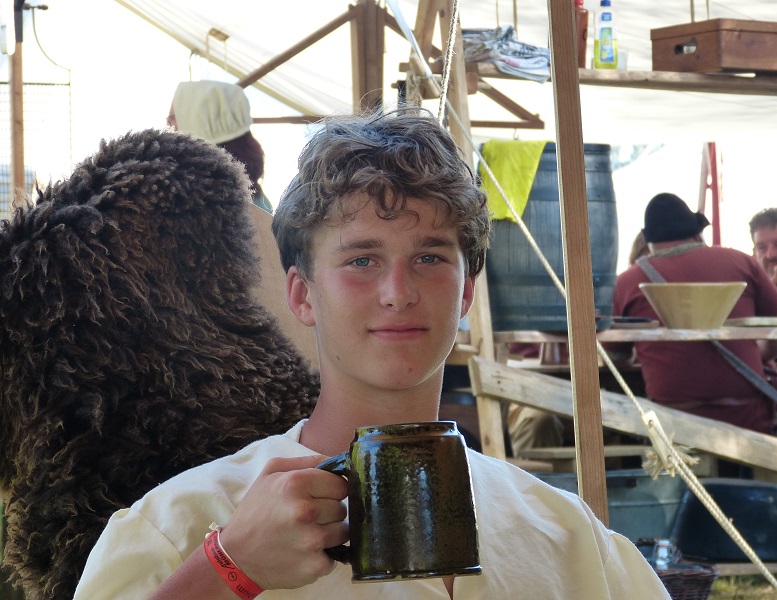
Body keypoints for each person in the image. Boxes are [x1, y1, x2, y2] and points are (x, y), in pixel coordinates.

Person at [74, 110, 669, 599]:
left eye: (430, 257)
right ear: (303, 294)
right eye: (361, 260)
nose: (397, 292)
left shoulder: (569, 538)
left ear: (465, 292)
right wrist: (229, 569)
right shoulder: (181, 524)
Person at [605, 193, 777, 435]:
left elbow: (615, 357)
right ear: (696, 234)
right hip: (749, 420)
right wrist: (757, 353)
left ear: (649, 242)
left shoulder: (626, 283)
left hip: (674, 429)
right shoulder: (742, 262)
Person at [168, 79, 273, 213]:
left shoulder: (186, 202)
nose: (169, 129)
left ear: (196, 124)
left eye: (172, 119)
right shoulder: (260, 203)